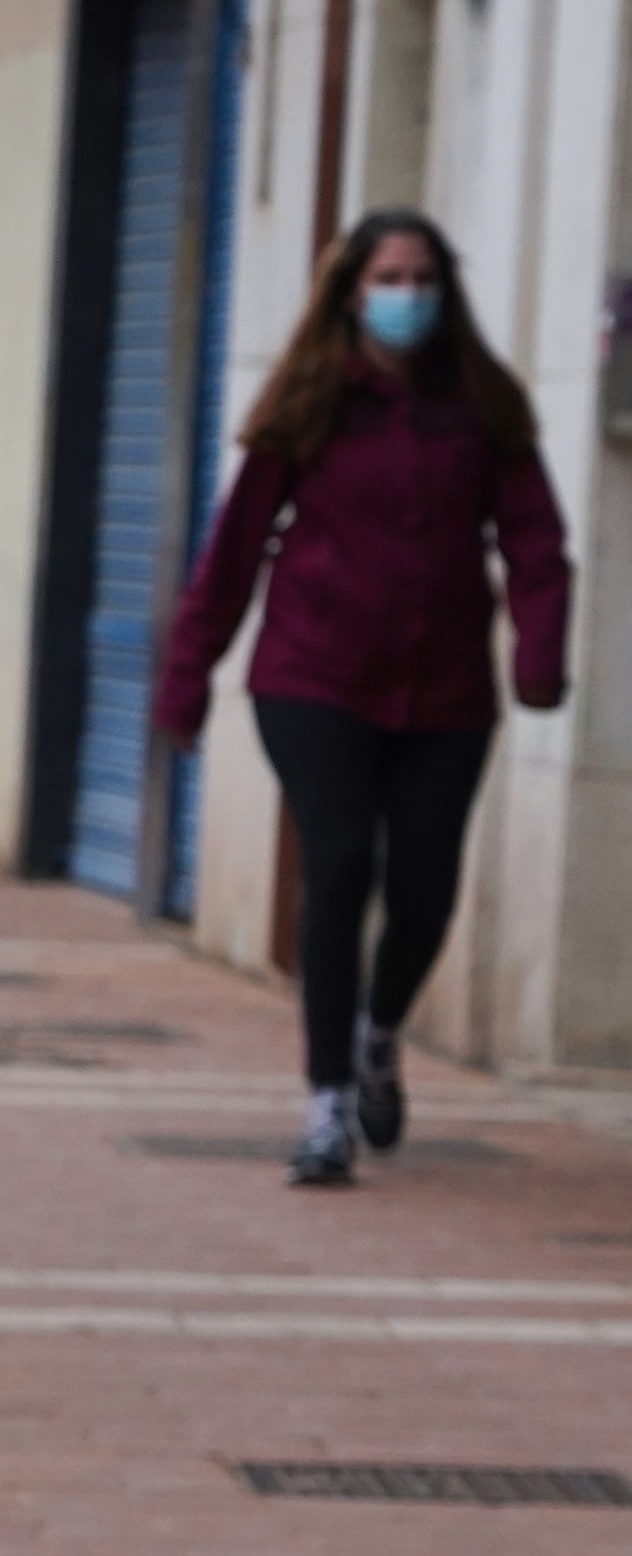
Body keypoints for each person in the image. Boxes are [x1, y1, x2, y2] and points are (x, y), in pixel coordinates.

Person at [154, 209, 573, 1185]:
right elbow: (230, 553)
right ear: (351, 288)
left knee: (422, 890)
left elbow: (536, 541)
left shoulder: (482, 402)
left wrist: (537, 658)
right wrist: (187, 679)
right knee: (337, 865)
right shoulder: (307, 399)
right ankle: (324, 1105)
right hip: (313, 676)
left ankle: (379, 1031)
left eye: (421, 276)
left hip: (444, 692)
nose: (405, 293)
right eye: (387, 275)